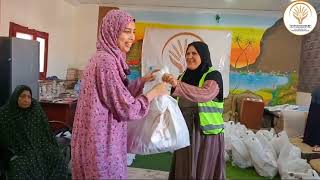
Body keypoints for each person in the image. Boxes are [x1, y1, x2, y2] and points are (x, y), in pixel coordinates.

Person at [71, 9, 167, 179]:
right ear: (112, 31)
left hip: (97, 138)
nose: (132, 37)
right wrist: (153, 93)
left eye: (134, 32)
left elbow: (115, 95)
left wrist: (143, 80)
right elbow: (126, 108)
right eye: (127, 31)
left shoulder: (104, 58)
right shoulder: (106, 61)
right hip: (102, 141)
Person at [162, 41, 225, 180]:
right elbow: (174, 100)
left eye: (194, 53)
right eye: (187, 53)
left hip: (205, 133)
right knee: (184, 166)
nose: (190, 56)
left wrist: (177, 84)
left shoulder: (213, 75)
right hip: (184, 130)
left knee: (203, 167)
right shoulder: (182, 76)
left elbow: (205, 94)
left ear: (203, 55)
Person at [0, 85, 67, 179]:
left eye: (29, 97)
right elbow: (4, 141)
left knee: (58, 158)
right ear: (15, 97)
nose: (26, 100)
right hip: (19, 151)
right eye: (22, 96)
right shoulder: (5, 114)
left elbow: (45, 131)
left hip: (40, 146)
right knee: (20, 167)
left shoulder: (35, 109)